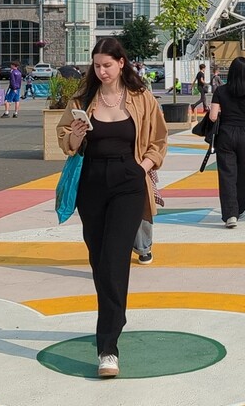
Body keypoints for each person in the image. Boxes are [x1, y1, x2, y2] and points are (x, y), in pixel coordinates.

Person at [55, 37, 167, 378]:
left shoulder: (141, 97)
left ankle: (108, 347)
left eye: (107, 65)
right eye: (97, 65)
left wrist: (143, 167)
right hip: (91, 184)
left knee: (115, 260)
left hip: (128, 183)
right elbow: (65, 143)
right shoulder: (82, 99)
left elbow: (159, 140)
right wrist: (76, 134)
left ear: (121, 63)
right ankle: (115, 316)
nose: (102, 71)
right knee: (99, 260)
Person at [208, 57, 245, 228]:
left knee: (227, 175)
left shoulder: (220, 91)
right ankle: (242, 204)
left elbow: (212, 116)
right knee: (241, 173)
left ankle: (230, 215)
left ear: (231, 72)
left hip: (225, 135)